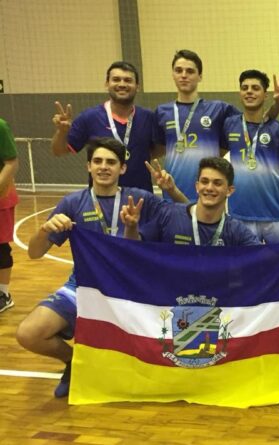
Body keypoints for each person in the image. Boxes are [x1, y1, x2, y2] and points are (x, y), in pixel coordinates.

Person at [15, 137, 174, 398]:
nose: (103, 167)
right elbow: (34, 252)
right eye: (97, 161)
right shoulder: (73, 203)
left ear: (122, 168)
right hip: (84, 287)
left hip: (131, 292)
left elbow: (184, 216)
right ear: (88, 166)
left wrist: (170, 190)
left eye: (111, 162)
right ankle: (75, 362)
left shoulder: (140, 199)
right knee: (28, 333)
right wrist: (46, 229)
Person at [154, 50, 279, 202]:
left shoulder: (219, 109)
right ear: (172, 74)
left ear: (200, 76)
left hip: (209, 195)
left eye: (190, 71)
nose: (184, 75)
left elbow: (258, 122)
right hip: (171, 194)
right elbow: (157, 150)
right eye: (179, 70)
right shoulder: (161, 112)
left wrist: (278, 104)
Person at [220, 70, 279, 243]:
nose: (249, 91)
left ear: (265, 95)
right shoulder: (229, 124)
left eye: (255, 88)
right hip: (240, 214)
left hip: (277, 215)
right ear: (239, 93)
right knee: (244, 267)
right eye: (245, 88)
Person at [50, 61, 159, 191]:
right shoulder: (89, 117)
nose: (122, 84)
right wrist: (62, 132)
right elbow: (58, 151)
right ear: (107, 84)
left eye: (128, 80)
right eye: (116, 79)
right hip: (101, 201)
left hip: (142, 199)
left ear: (137, 86)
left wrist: (139, 157)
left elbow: (159, 149)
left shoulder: (149, 118)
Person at [125, 157, 260, 247]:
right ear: (197, 186)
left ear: (229, 190)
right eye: (204, 181)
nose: (209, 188)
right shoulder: (169, 215)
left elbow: (264, 258)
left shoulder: (236, 231)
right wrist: (131, 227)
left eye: (217, 183)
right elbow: (135, 247)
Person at [0, 118, 19, 313]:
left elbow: (11, 163)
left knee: (0, 248)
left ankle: (3, 294)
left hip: (1, 198)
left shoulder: (0, 126)